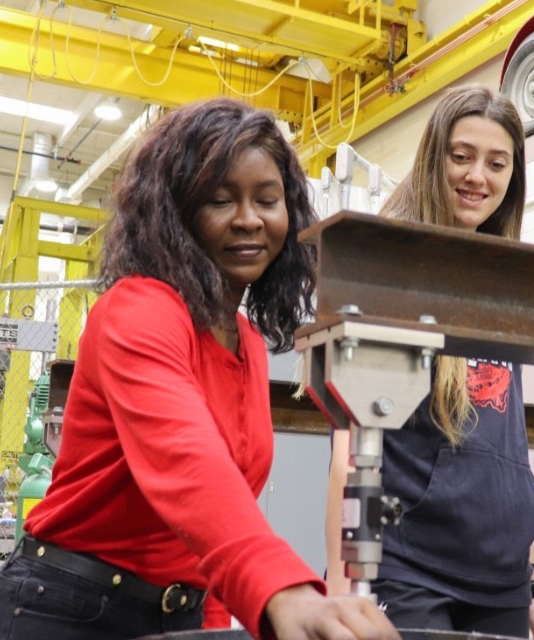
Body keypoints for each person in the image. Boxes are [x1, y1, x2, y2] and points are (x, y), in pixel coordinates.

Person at [0, 97, 401, 640]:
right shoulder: (138, 308)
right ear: (177, 214)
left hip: (179, 613)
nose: (249, 219)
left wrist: (224, 624)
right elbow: (187, 462)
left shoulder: (250, 345)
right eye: (219, 199)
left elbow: (218, 512)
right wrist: (281, 589)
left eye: (267, 199)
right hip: (68, 607)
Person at [326, 84, 534, 640]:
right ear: (435, 158)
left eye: (497, 163)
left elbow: (508, 446)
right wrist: (339, 587)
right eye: (462, 156)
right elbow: (349, 448)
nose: (478, 176)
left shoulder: (505, 283)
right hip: (410, 567)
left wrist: (533, 577)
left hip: (501, 575)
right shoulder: (388, 272)